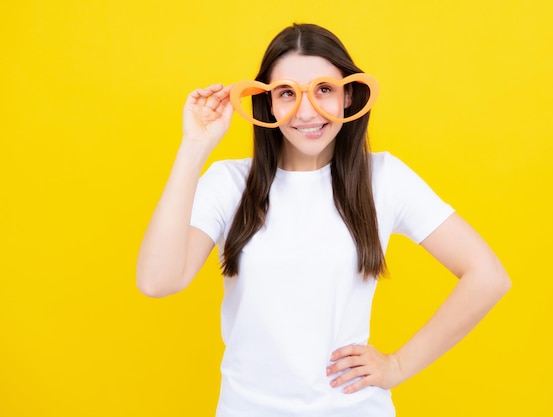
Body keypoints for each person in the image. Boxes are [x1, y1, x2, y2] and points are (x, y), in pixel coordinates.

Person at [136, 23, 511, 417]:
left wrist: (398, 365)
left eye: (324, 90)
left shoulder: (382, 178)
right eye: (286, 94)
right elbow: (157, 281)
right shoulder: (230, 184)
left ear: (348, 95)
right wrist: (194, 148)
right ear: (268, 103)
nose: (306, 111)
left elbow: (487, 275)